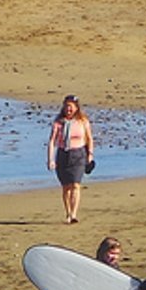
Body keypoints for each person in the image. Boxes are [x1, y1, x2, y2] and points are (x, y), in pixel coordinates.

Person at [47, 95, 93, 225]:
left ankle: (74, 214)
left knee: (76, 185)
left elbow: (89, 139)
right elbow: (52, 141)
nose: (68, 109)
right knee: (66, 187)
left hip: (78, 154)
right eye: (66, 106)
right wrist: (50, 159)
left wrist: (90, 154)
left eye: (71, 106)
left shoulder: (83, 121)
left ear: (76, 108)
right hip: (63, 155)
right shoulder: (58, 123)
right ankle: (68, 212)